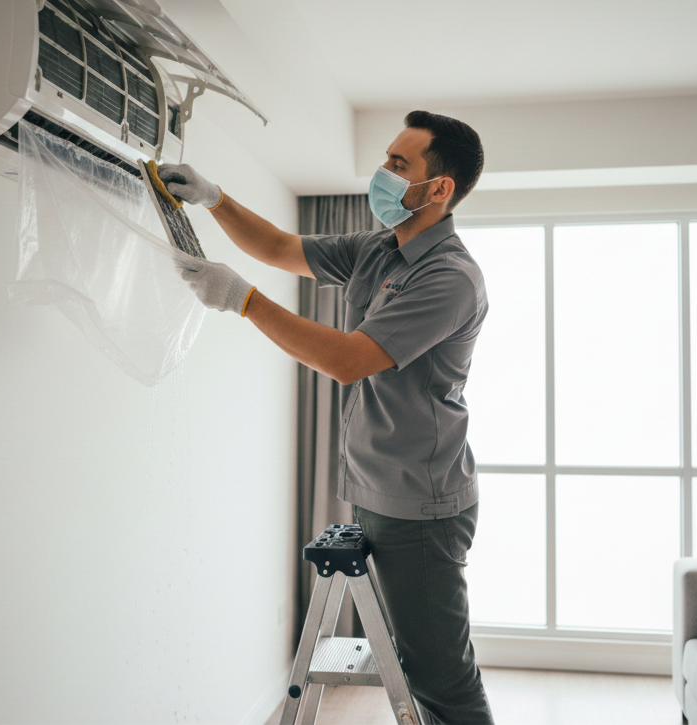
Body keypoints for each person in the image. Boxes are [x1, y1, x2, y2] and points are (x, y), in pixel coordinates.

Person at [158, 110, 493, 725]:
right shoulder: (379, 250)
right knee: (416, 662)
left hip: (420, 501)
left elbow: (347, 360)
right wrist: (212, 199)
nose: (382, 174)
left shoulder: (449, 277)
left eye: (399, 164)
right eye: (386, 160)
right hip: (376, 485)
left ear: (439, 188)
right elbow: (282, 248)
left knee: (439, 675)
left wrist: (242, 300)